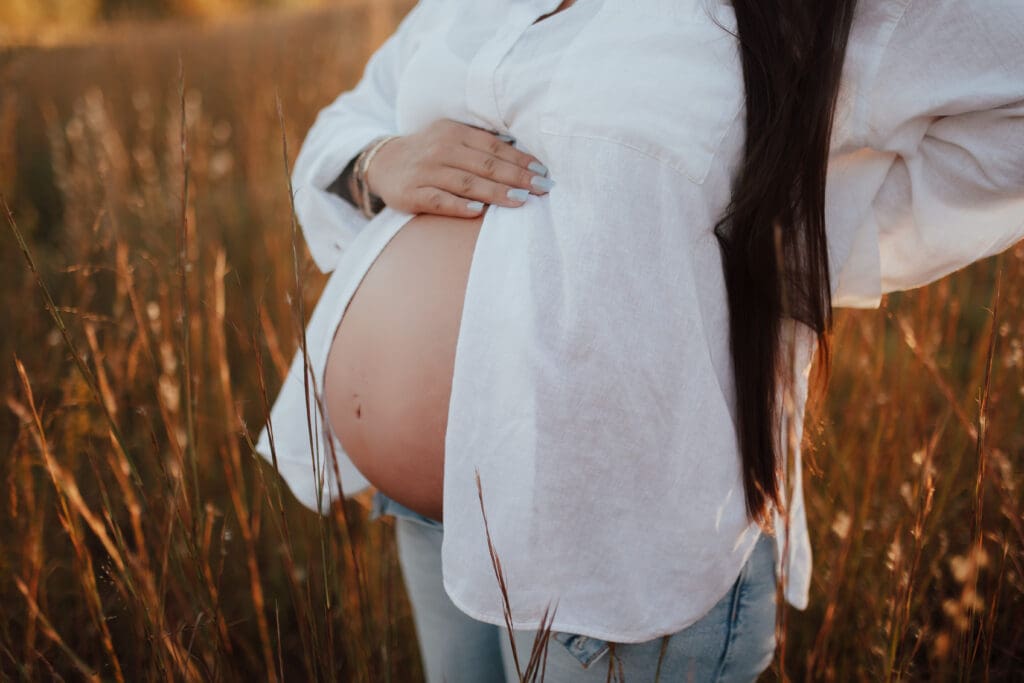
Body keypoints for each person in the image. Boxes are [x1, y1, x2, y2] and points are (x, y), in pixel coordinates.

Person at [255, 0, 1024, 679]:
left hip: (616, 554)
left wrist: (789, 221)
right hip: (437, 516)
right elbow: (353, 115)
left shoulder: (801, 13)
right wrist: (379, 162)